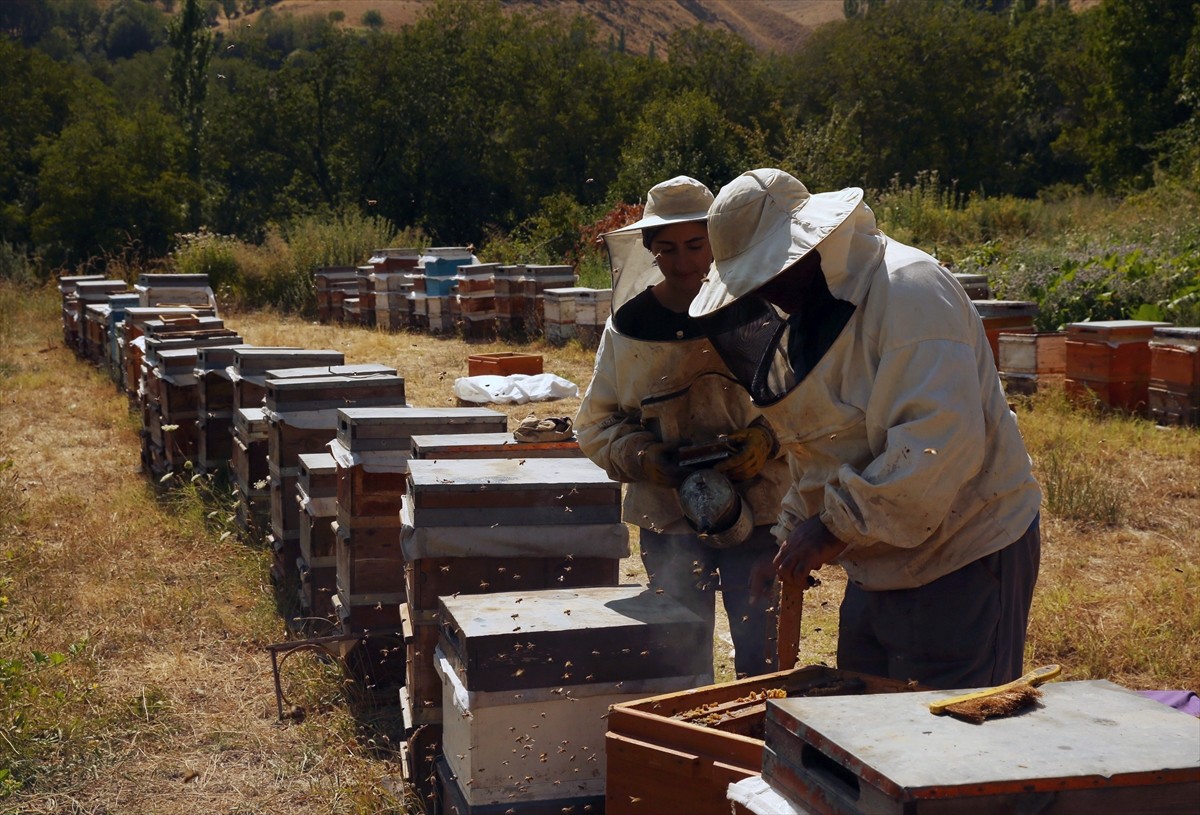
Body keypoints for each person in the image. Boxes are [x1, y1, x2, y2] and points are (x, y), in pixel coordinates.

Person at [688, 168, 1042, 690]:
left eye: (770, 275)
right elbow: (823, 446)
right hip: (877, 554)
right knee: (864, 729)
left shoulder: (908, 291)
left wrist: (832, 528)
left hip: (965, 547)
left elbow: (937, 443)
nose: (767, 294)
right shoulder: (812, 309)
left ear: (812, 246)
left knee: (952, 738)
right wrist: (785, 539)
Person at [575, 176, 791, 678]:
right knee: (677, 654)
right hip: (668, 514)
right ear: (650, 250)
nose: (685, 262)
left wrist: (766, 439)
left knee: (762, 652)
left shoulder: (757, 308)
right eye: (667, 249)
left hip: (759, 507)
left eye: (696, 244)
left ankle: (760, 740)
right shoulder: (631, 325)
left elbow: (803, 402)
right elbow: (597, 422)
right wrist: (643, 457)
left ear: (717, 241)